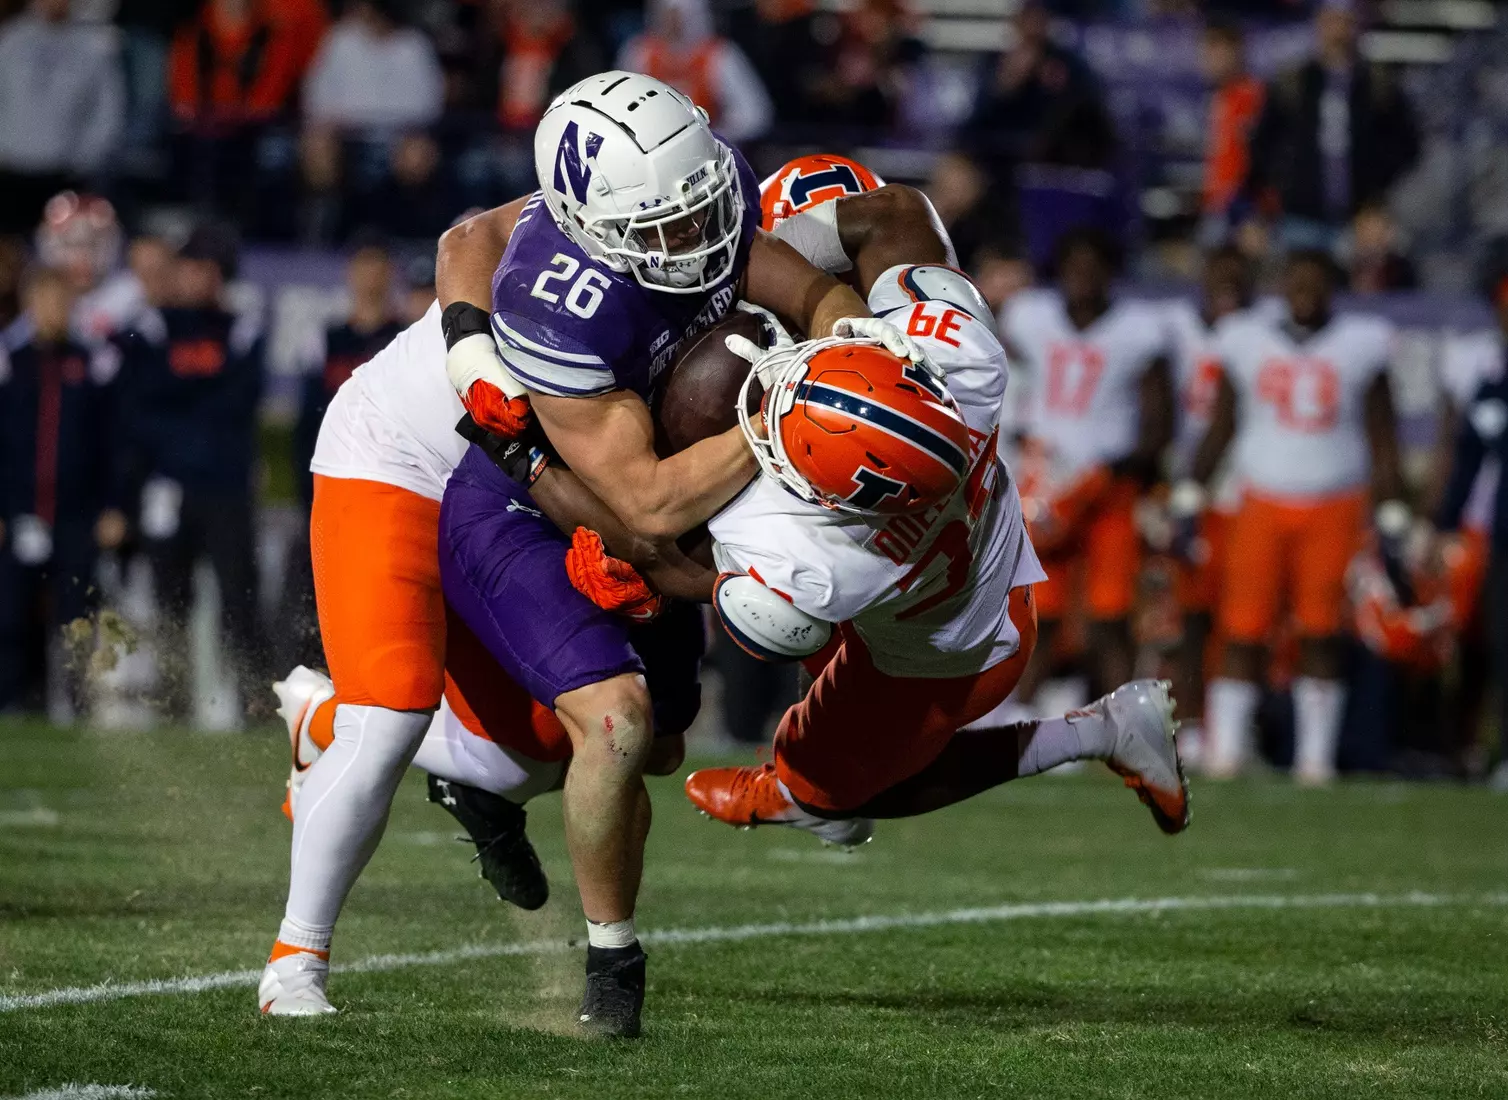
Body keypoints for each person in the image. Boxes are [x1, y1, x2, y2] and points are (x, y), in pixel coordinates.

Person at [256, 72, 890, 1035]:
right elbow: (642, 503)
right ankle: (295, 960)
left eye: (702, 205)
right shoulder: (563, 299)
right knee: (392, 717)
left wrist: (855, 347)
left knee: (558, 753)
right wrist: (790, 410)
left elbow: (791, 280)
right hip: (408, 459)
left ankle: (338, 725)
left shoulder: (672, 207)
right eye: (668, 227)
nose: (701, 237)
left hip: (526, 476)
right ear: (594, 229)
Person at [681, 186, 1186, 845]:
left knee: (820, 793)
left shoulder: (814, 545)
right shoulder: (963, 356)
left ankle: (1097, 731)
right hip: (995, 592)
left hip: (935, 657)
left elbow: (660, 537)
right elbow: (894, 215)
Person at [1181, 250, 1406, 784]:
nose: (1305, 292)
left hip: (1336, 500)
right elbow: (1223, 423)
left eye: (1316, 283)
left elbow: (1383, 433)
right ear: (1281, 286)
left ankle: (1314, 760)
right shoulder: (1245, 338)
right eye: (1296, 282)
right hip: (1260, 498)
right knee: (1241, 628)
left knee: (1321, 632)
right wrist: (1192, 488)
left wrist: (1395, 504)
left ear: (1333, 287)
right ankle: (1226, 751)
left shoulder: (1362, 342)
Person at [1002, 228, 1175, 708]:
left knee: (1110, 614)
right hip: (1046, 484)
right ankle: (1017, 718)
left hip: (1108, 486)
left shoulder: (1138, 328)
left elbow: (1160, 415)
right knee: (1038, 610)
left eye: (1093, 266)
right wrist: (1019, 439)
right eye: (1075, 265)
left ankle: (1117, 722)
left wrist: (1129, 466)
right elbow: (999, 381)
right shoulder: (1028, 316)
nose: (1083, 276)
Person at [115, 224, 268, 722]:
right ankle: (173, 702)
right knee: (169, 601)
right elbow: (137, 409)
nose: (196, 277)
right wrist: (195, 404)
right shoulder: (151, 328)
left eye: (206, 267)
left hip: (224, 487)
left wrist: (180, 403)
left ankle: (256, 699)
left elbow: (237, 402)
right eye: (190, 265)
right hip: (171, 486)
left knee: (239, 600)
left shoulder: (240, 328)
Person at [0, 267, 127, 715]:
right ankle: (16, 707)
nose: (54, 308)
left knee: (76, 615)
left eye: (61, 299)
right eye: (45, 298)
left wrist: (114, 505)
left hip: (77, 512)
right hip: (17, 509)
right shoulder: (9, 360)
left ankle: (76, 708)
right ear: (29, 302)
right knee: (11, 616)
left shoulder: (94, 363)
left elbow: (114, 440)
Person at [281, 243, 404, 674]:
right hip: (331, 487)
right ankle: (303, 682)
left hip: (388, 490)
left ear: (390, 274)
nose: (370, 275)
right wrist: (305, 495)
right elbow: (304, 427)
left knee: (383, 597)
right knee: (312, 594)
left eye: (378, 264)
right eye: (362, 264)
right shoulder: (326, 340)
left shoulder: (404, 339)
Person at [1161, 245, 1258, 764]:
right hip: (1187, 483)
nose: (1228, 286)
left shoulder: (1261, 335)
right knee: (1186, 613)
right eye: (1219, 274)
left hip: (1242, 487)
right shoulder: (1172, 330)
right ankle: (1194, 722)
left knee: (1240, 615)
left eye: (1238, 277)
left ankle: (1236, 728)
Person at [1244, 0, 1420, 251]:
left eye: (1345, 23)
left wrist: (1377, 201)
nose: (1338, 32)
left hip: (1359, 222)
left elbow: (1406, 148)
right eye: (1331, 22)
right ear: (1318, 27)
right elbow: (1262, 146)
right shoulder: (1293, 83)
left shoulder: (1378, 86)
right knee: (1304, 284)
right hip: (1300, 219)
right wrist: (1279, 192)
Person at [1434, 267, 1507, 788]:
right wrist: (1445, 522)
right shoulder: (1493, 379)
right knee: (1494, 642)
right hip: (1503, 532)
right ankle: (1486, 748)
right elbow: (1468, 455)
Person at [0, 0, 125, 234]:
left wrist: (86, 157)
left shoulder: (93, 46)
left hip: (66, 172)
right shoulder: (10, 40)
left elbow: (107, 108)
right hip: (11, 169)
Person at [616, 0, 773, 144]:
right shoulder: (639, 54)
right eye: (665, 13)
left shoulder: (720, 55)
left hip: (711, 148)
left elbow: (755, 115)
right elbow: (618, 107)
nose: (671, 22)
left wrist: (712, 134)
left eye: (677, 13)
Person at [1199, 21, 1264, 236]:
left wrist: (1249, 208)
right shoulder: (1219, 98)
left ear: (1235, 51)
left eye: (1214, 50)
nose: (1207, 60)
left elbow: (1258, 159)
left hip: (1243, 209)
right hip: (1217, 205)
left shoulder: (1253, 96)